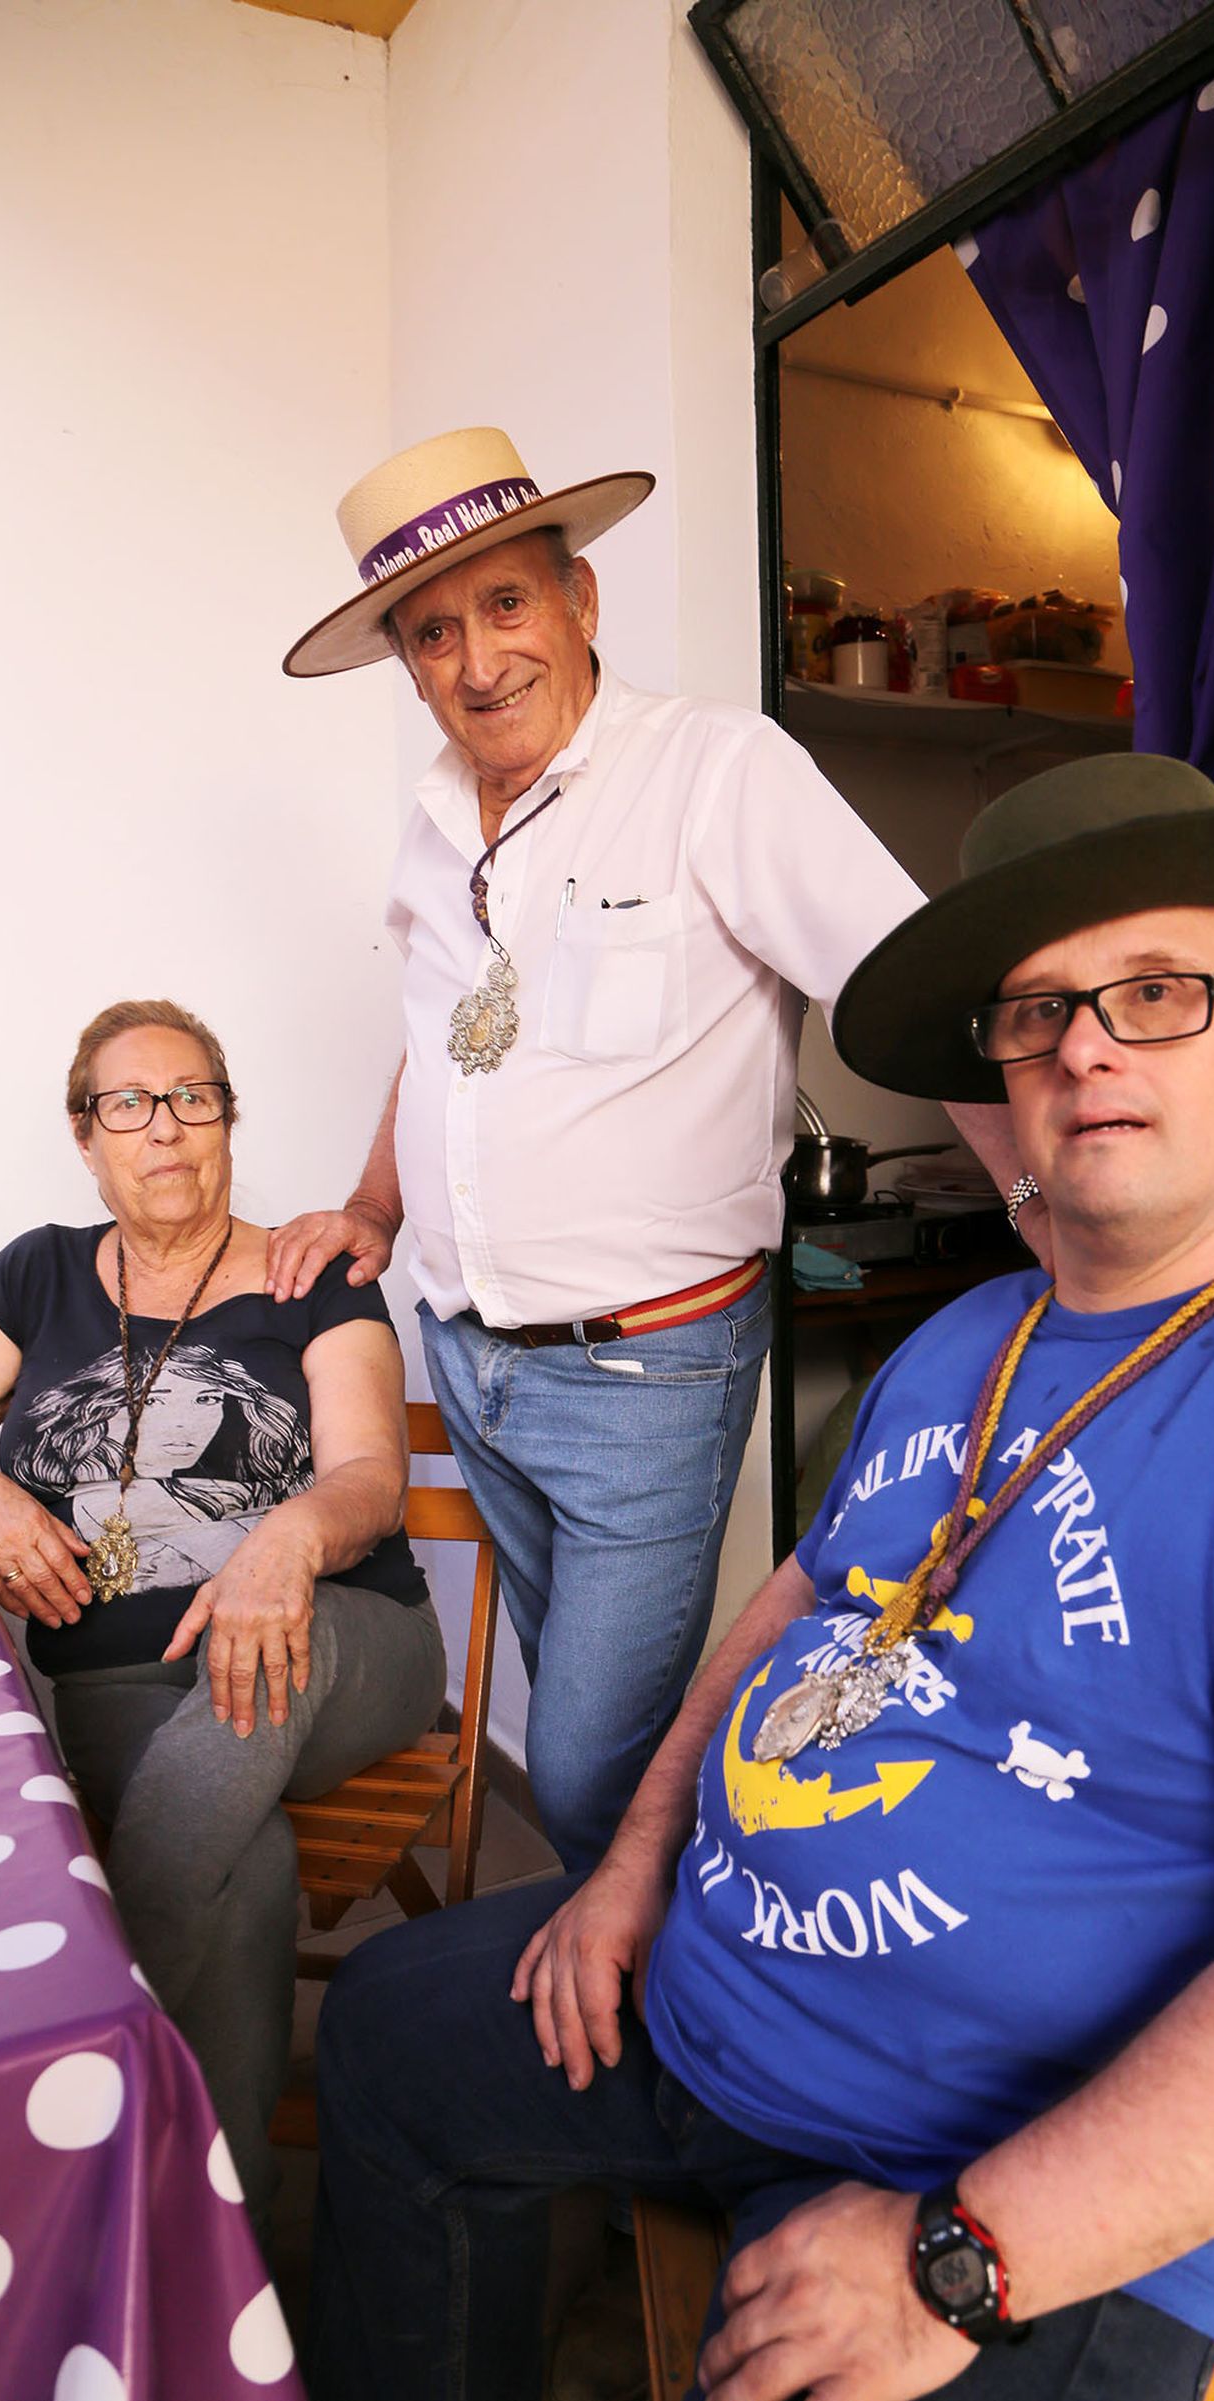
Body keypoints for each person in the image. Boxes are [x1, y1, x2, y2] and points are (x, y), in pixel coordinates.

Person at [302, 754, 1214, 2401]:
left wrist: (963, 2254)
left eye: (1155, 993)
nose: (1082, 1045)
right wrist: (636, 1860)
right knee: (378, 2033)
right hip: (706, 2003)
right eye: (1037, 1011)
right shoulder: (964, 1345)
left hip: (990, 2179)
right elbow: (800, 1603)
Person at [270, 423, 1025, 1869]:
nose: (478, 660)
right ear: (407, 663)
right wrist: (378, 1201)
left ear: (581, 600)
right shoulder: (434, 823)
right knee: (592, 1729)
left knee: (582, 1763)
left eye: (504, 605)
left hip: (645, 1369)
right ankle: (644, 1990)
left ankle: (675, 2024)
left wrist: (1048, 1213)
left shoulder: (719, 769)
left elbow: (915, 987)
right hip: (474, 1359)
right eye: (434, 632)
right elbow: (436, 1037)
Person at [0, 999, 445, 2240]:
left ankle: (74, 2055)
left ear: (229, 1119)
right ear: (85, 1135)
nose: (165, 1128)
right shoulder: (35, 1273)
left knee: (260, 1677)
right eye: (129, 1103)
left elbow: (367, 1476)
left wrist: (284, 1544)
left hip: (344, 1636)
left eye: (193, 1096)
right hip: (125, 1682)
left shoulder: (313, 1276)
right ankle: (218, 2243)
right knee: (241, 1872)